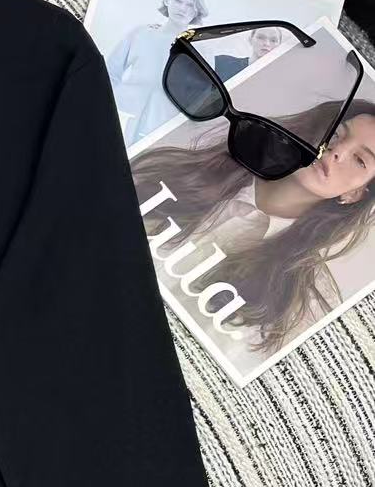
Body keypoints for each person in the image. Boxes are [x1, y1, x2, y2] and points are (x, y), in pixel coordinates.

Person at [130, 97, 375, 356]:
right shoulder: (185, 172)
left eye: (360, 160)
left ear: (355, 194)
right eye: (336, 133)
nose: (337, 151)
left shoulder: (302, 299)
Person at [107, 0, 209, 148]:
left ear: (197, 10)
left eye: (190, 5)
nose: (182, 8)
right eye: (178, 1)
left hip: (161, 127)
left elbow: (202, 97)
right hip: (121, 116)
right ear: (167, 0)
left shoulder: (200, 49)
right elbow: (110, 72)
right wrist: (111, 105)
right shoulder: (141, 33)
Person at [213, 26, 285, 81]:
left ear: (279, 46)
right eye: (260, 37)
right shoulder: (223, 63)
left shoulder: (281, 78)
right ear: (250, 40)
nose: (267, 43)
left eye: (273, 40)